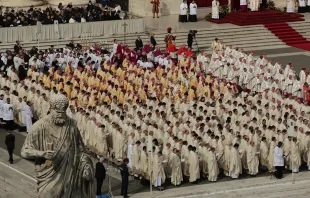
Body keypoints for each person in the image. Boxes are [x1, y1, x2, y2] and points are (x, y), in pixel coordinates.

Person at [21, 94, 95, 197]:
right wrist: (43, 154)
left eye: (63, 112)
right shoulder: (39, 126)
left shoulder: (71, 125)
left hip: (69, 173)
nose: (60, 115)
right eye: (58, 112)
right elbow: (25, 151)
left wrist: (86, 166)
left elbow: (80, 149)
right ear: (51, 108)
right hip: (49, 173)